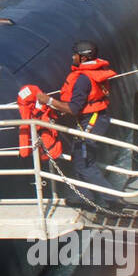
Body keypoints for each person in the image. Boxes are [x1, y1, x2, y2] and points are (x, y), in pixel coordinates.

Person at [37, 40, 118, 210]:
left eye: (75, 54)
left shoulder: (83, 79)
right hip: (96, 118)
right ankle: (84, 197)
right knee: (79, 159)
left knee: (85, 163)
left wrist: (49, 101)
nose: (72, 57)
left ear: (83, 58)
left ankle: (111, 201)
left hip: (92, 121)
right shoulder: (94, 72)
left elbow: (74, 108)